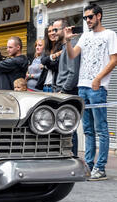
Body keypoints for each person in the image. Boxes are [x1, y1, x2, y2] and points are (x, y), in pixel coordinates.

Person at [65, 3, 117, 181]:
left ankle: (100, 168)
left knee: (101, 129)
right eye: (85, 17)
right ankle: (89, 165)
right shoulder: (85, 36)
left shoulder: (110, 34)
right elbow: (73, 55)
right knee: (87, 129)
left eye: (90, 17)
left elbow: (113, 60)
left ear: (99, 16)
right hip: (82, 86)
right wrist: (67, 40)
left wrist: (98, 79)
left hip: (97, 87)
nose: (87, 20)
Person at [53, 18, 81, 157]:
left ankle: (72, 158)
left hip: (67, 92)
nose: (53, 33)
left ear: (65, 29)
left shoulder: (72, 44)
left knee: (69, 128)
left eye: (55, 29)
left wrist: (63, 90)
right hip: (62, 91)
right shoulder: (64, 46)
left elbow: (73, 72)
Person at [35, 24, 63, 92]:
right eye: (49, 31)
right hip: (45, 86)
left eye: (54, 30)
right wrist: (53, 56)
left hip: (55, 87)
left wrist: (45, 65)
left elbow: (56, 66)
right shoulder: (47, 48)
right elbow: (42, 61)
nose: (52, 33)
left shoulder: (62, 46)